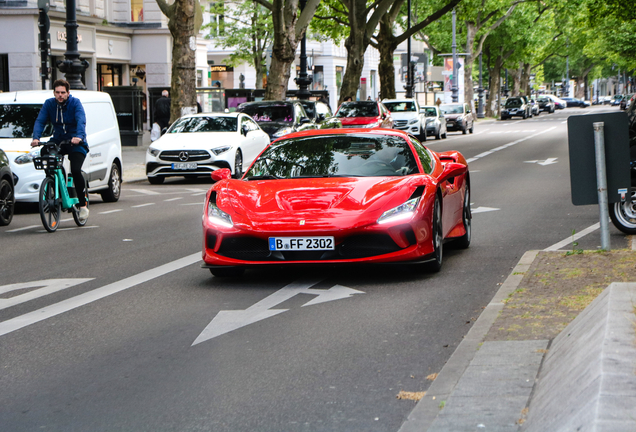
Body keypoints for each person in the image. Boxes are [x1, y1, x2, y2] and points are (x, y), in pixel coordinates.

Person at [31, 79, 89, 220]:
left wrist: (79, 136)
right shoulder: (49, 104)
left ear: (68, 93)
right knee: (44, 153)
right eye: (57, 92)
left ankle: (82, 205)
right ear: (54, 93)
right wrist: (36, 138)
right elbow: (40, 121)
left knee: (75, 170)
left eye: (63, 92)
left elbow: (81, 119)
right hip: (59, 140)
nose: (60, 95)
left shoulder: (75, 103)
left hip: (76, 141)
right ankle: (55, 182)